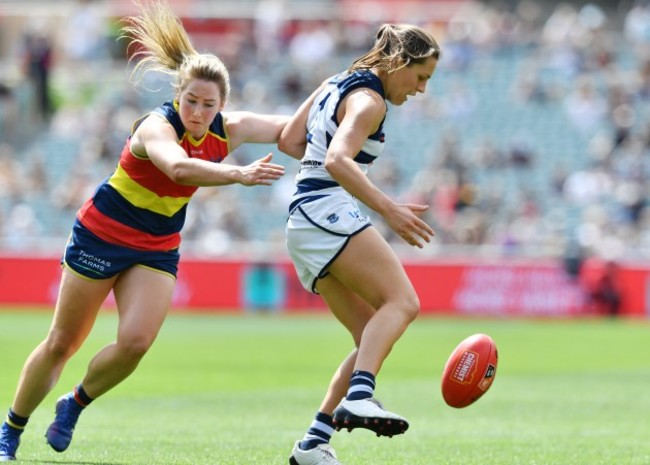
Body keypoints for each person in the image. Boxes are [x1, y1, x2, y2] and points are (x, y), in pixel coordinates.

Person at [0, 1, 288, 461]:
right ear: (178, 96)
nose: (197, 111)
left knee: (135, 343)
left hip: (156, 245)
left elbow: (288, 129)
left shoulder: (228, 129)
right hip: (101, 234)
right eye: (190, 100)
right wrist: (237, 174)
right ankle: (10, 429)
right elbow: (176, 169)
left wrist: (338, 99)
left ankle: (73, 405)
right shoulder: (156, 126)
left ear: (222, 106)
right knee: (62, 343)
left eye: (208, 105)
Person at [278, 23, 441, 465]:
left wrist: (326, 165)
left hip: (302, 219)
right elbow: (336, 159)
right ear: (397, 63)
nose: (422, 89)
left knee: (369, 333)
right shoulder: (370, 101)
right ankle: (361, 395)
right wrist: (389, 209)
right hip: (324, 208)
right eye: (421, 76)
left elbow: (290, 140)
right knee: (403, 303)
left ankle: (313, 442)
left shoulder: (335, 82)